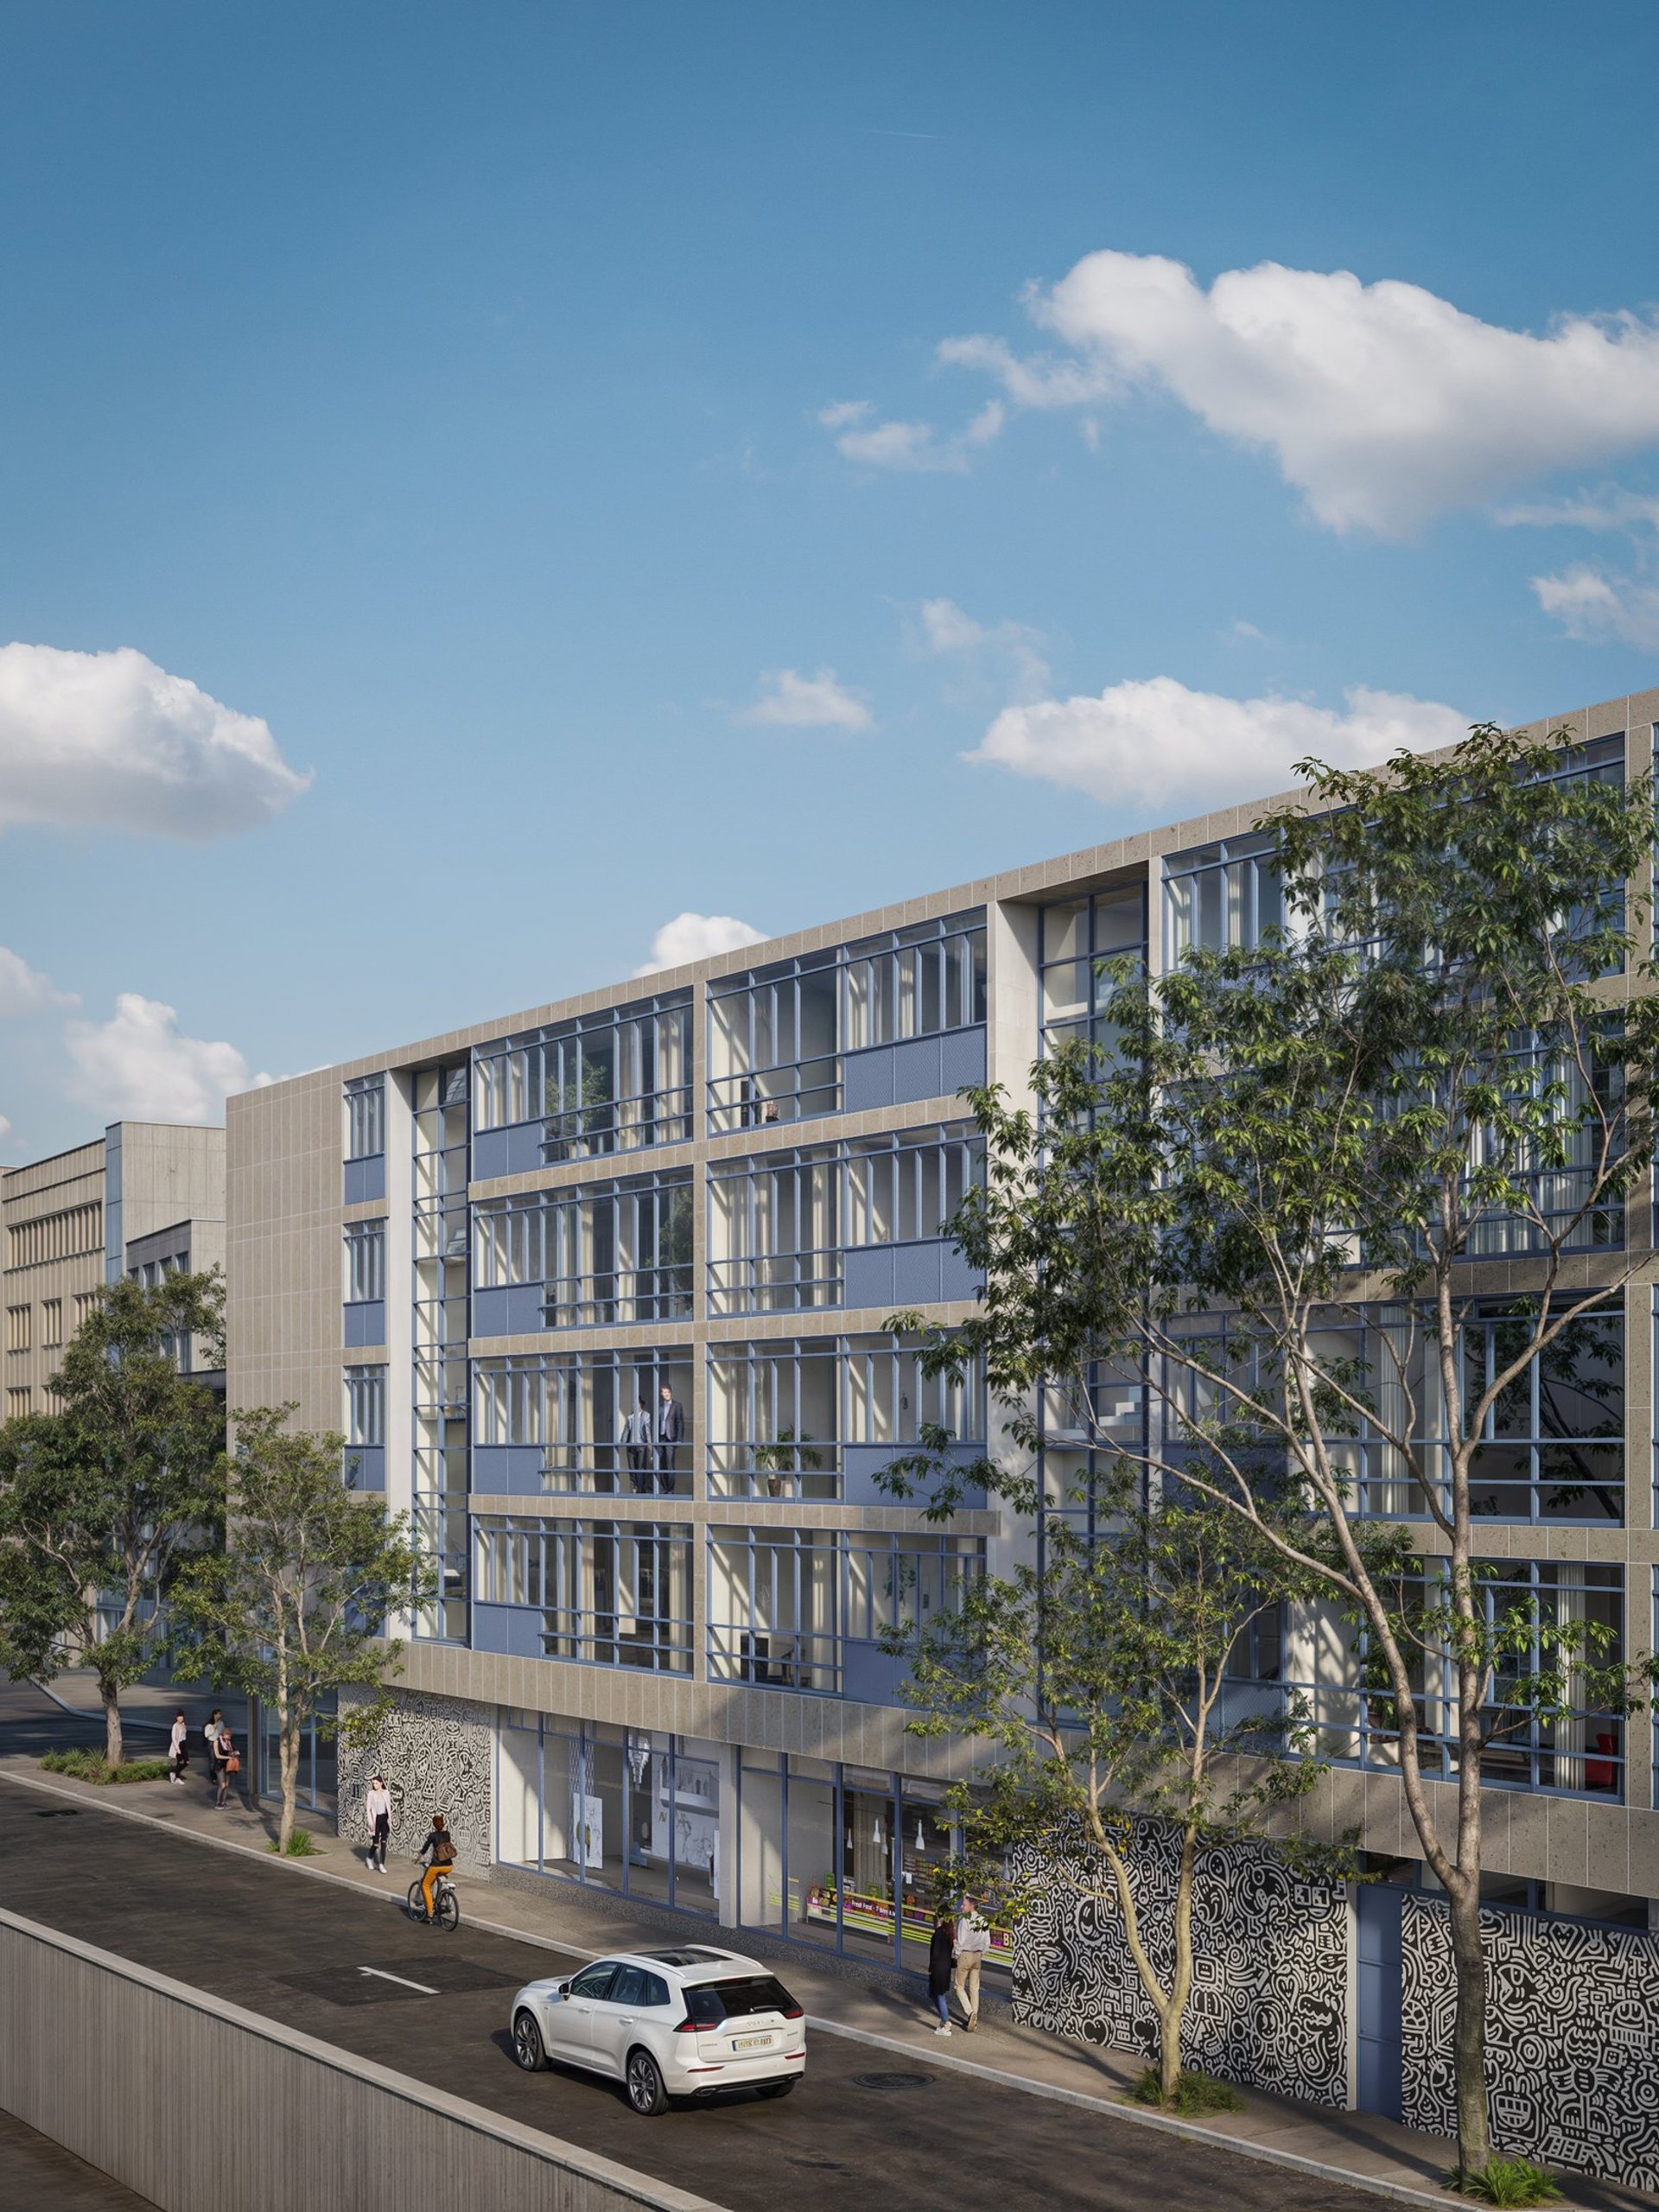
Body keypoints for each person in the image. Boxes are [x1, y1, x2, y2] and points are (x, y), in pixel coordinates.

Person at [954, 1899, 993, 2032]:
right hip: (977, 1956)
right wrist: (982, 1953)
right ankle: (974, 2020)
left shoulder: (965, 1920)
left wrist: (956, 1954)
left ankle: (970, 2013)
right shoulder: (983, 1920)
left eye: (964, 1904)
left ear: (971, 1905)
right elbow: (987, 1942)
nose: (961, 1906)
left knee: (959, 1986)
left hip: (965, 1954)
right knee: (974, 1988)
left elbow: (961, 1941)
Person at [416, 1812, 457, 1921]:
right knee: (438, 1879)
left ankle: (429, 1913)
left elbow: (425, 1849)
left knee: (425, 1885)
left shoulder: (432, 1836)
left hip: (437, 1866)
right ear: (443, 1824)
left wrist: (418, 1857)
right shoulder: (447, 1834)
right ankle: (442, 1896)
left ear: (434, 1825)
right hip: (448, 1866)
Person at [927, 1905, 956, 2036]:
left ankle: (946, 2023)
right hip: (945, 1969)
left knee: (938, 1995)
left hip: (938, 1969)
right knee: (934, 1993)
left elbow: (935, 1953)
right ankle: (944, 2021)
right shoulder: (949, 1933)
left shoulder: (939, 1933)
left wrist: (931, 1967)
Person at [655, 1382, 684, 1495]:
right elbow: (656, 1422)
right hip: (661, 1438)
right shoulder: (659, 1406)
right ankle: (664, 1488)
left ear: (670, 1393)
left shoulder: (677, 1406)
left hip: (670, 1438)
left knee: (670, 1464)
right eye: (663, 1392)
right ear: (661, 1394)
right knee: (661, 1464)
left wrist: (679, 1439)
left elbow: (680, 1423)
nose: (665, 1394)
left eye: (667, 1392)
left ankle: (670, 1489)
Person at [621, 1397, 654, 1494]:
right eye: (633, 1404)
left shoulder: (646, 1415)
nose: (634, 1406)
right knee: (632, 1468)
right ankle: (634, 1487)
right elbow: (626, 1430)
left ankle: (641, 1489)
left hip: (641, 1445)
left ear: (641, 1405)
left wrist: (649, 1445)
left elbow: (647, 1431)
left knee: (640, 1468)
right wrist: (622, 1442)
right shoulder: (630, 1417)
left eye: (637, 1404)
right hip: (631, 1446)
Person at [365, 1774, 392, 1872]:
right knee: (376, 1843)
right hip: (376, 1820)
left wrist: (390, 1820)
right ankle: (369, 1857)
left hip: (384, 1819)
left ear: (381, 1783)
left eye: (376, 1783)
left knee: (384, 1843)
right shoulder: (371, 1794)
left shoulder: (386, 1793)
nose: (375, 1785)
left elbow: (388, 1807)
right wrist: (370, 1822)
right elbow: (368, 1809)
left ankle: (381, 1865)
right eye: (373, 1783)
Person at [213, 1721, 238, 1808]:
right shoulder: (217, 1742)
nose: (229, 1738)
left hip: (227, 1765)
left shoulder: (228, 1743)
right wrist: (228, 1758)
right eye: (228, 1736)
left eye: (230, 1736)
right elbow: (217, 1755)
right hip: (219, 1765)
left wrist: (235, 1753)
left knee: (227, 1784)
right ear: (223, 1735)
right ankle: (218, 1803)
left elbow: (232, 1751)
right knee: (222, 1784)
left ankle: (223, 1802)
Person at [202, 1708, 222, 1794]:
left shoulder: (221, 1723)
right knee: (212, 1761)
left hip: (219, 1742)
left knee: (220, 1760)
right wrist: (213, 1728)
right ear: (214, 1715)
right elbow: (206, 1735)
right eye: (218, 1714)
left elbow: (222, 1732)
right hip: (211, 1743)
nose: (220, 1716)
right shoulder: (209, 1725)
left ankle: (220, 1778)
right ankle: (213, 1778)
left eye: (220, 1714)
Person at [168, 1710, 189, 1785]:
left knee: (187, 1762)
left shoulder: (184, 1725)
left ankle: (174, 1773)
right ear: (177, 1718)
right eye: (179, 1718)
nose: (180, 1719)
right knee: (179, 1762)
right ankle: (177, 1778)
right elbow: (173, 1738)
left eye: (182, 1718)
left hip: (183, 1744)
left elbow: (184, 1735)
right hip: (177, 1745)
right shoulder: (175, 1726)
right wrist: (177, 1749)